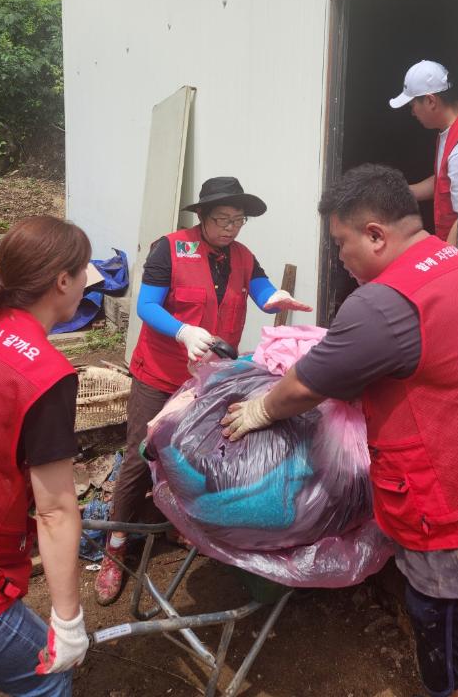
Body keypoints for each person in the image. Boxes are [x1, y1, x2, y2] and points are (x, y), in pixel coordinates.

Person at [221, 164, 458, 697]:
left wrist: (259, 411)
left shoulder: (385, 301)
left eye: (341, 243)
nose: (340, 258)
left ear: (375, 235)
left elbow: (305, 386)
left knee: (456, 678)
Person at [95, 175, 312, 605]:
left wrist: (274, 298)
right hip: (160, 373)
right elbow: (146, 305)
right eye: (222, 219)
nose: (230, 228)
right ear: (203, 217)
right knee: (141, 453)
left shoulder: (243, 256)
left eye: (238, 220)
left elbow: (260, 289)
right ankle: (115, 545)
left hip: (207, 379)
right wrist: (182, 331)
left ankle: (178, 520)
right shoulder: (170, 249)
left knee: (192, 451)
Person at [0, 216, 91, 696]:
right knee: (48, 677)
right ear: (63, 281)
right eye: (84, 271)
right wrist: (68, 622)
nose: (88, 281)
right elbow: (55, 512)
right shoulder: (46, 377)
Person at [389, 59, 458, 245]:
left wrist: (445, 257)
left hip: (454, 248)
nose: (413, 113)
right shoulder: (448, 129)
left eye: (412, 106)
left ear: (431, 101)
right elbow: (443, 181)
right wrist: (401, 192)